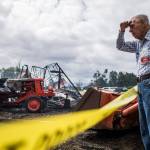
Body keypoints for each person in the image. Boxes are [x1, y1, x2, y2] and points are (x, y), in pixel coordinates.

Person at [116, 14, 150, 150]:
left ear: (146, 24)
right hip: (141, 86)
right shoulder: (138, 44)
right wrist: (121, 30)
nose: (130, 30)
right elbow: (120, 45)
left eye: (133, 25)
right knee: (144, 127)